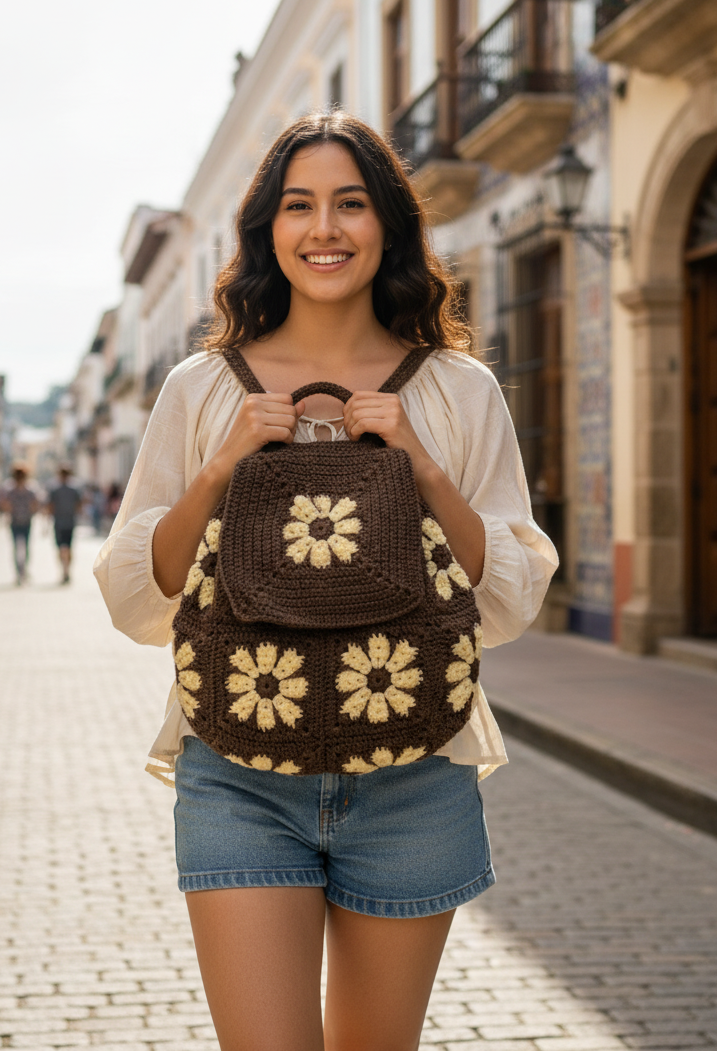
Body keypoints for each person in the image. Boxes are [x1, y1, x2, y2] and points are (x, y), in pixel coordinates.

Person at [94, 112, 558, 1050]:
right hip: (236, 768)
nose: (325, 229)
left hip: (416, 771)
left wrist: (421, 462)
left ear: (388, 222)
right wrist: (224, 462)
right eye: (299, 205)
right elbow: (138, 593)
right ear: (268, 229)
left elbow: (506, 598)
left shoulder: (459, 390)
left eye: (351, 203)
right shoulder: (201, 386)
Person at [0, 463, 40, 585]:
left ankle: (21, 571)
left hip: (20, 521)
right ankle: (21, 572)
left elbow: (4, 504)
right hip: (20, 521)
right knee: (21, 547)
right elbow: (35, 504)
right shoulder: (28, 488)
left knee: (19, 547)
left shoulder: (11, 489)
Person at [46, 464, 82, 584]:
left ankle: (64, 569)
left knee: (61, 547)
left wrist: (47, 521)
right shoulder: (75, 489)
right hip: (70, 521)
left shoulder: (54, 489)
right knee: (69, 547)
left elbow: (50, 506)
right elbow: (79, 505)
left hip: (59, 522)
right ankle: (67, 569)